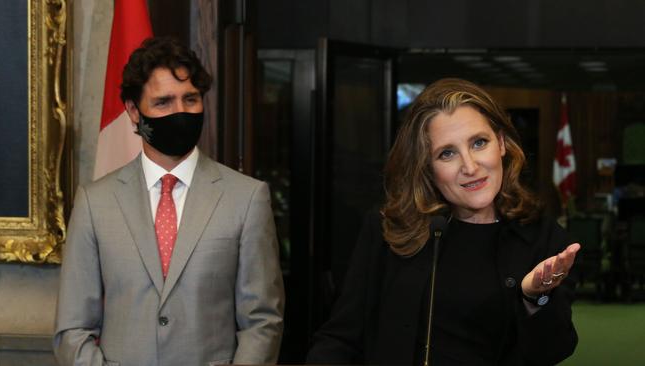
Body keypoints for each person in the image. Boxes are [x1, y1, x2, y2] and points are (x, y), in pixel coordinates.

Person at [306, 78, 580, 365]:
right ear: (427, 166)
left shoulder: (543, 237)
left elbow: (554, 350)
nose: (470, 167)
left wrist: (534, 298)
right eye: (447, 153)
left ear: (501, 143)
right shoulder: (389, 229)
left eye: (479, 143)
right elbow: (341, 337)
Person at [54, 37, 284, 366]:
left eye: (190, 99)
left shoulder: (247, 198)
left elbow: (262, 321)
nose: (180, 112)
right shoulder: (95, 202)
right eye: (163, 102)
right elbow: (72, 328)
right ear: (134, 111)